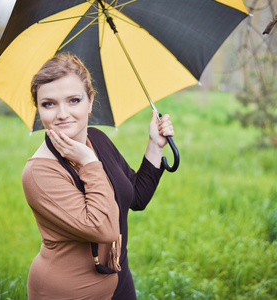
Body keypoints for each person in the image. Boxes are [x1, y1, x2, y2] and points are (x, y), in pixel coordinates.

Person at [21, 53, 174, 299]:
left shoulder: (98, 140)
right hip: (68, 291)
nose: (62, 114)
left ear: (90, 101)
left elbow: (136, 197)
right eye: (49, 103)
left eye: (74, 100)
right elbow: (102, 229)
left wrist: (155, 145)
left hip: (118, 277)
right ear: (39, 110)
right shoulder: (39, 173)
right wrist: (88, 162)